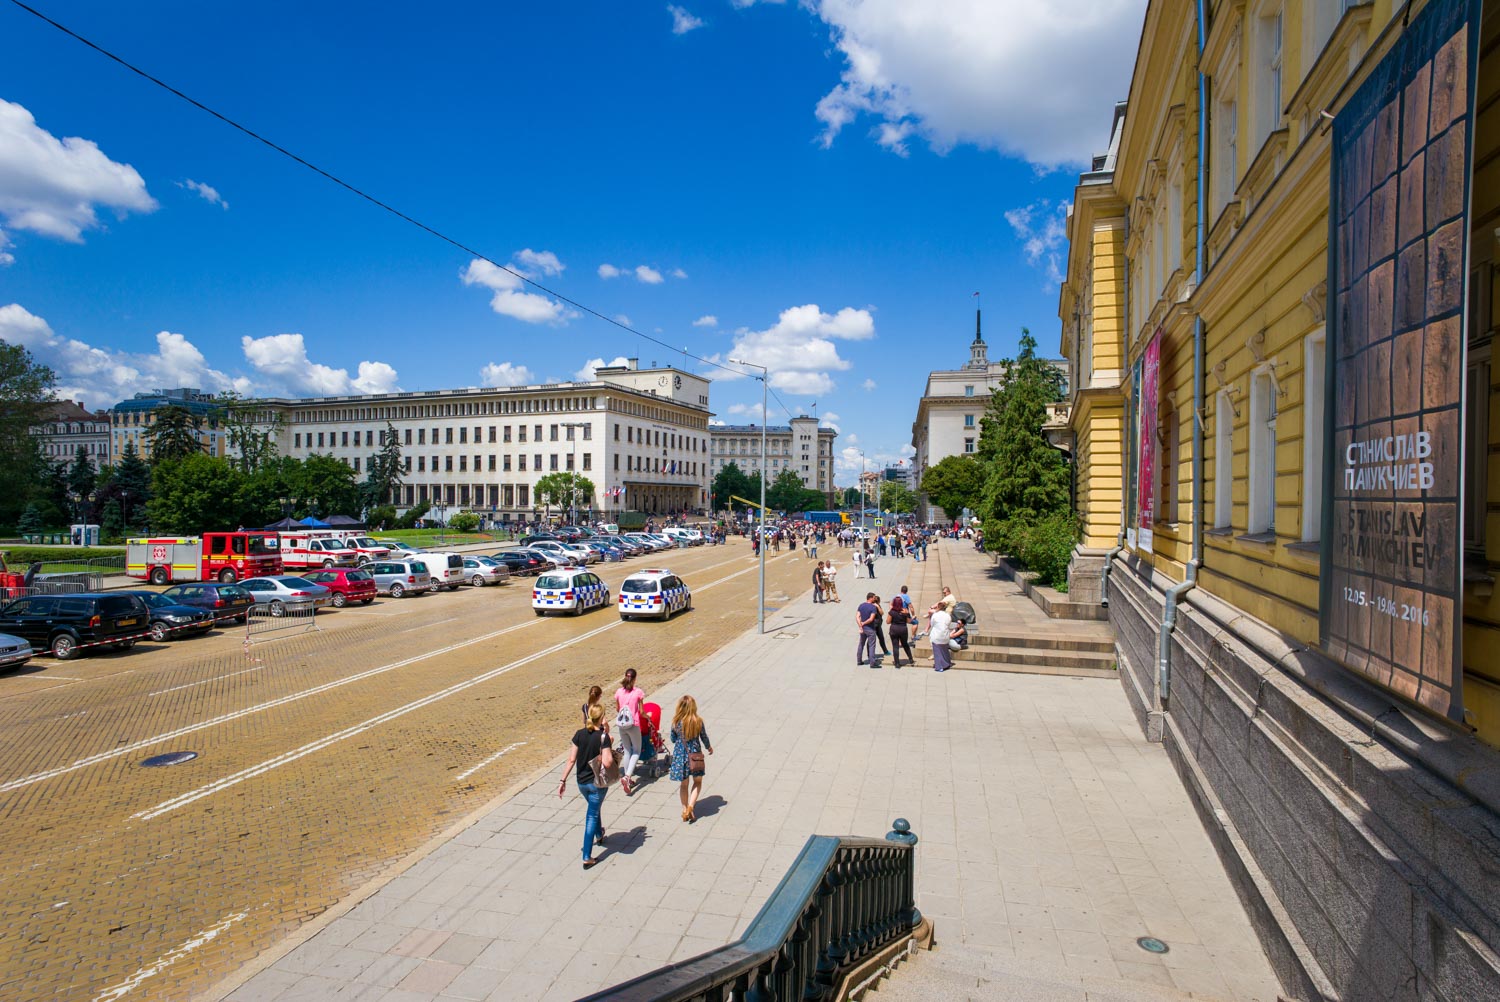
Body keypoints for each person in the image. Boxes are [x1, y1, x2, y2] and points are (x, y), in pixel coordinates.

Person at [560, 704, 613, 868]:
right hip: (597, 783)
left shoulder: (579, 734)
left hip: (581, 782)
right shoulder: (602, 737)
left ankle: (599, 834)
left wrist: (562, 781)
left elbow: (571, 760)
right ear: (601, 718)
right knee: (591, 815)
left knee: (593, 808)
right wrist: (608, 746)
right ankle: (587, 856)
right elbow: (607, 762)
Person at [670, 695, 714, 823]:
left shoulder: (676, 722)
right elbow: (704, 737)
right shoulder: (698, 721)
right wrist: (709, 747)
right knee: (697, 782)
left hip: (680, 756)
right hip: (694, 756)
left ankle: (684, 809)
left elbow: (673, 739)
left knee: (684, 785)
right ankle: (691, 806)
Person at [614, 670, 647, 795]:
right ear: (635, 679)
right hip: (633, 725)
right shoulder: (638, 692)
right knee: (636, 750)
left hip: (622, 725)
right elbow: (642, 712)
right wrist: (648, 717)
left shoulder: (619, 692)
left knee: (627, 751)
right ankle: (627, 776)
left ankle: (628, 779)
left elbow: (618, 708)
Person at [888, 597, 915, 668]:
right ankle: (911, 659)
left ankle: (897, 663)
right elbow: (909, 621)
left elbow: (888, 622)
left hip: (894, 629)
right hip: (903, 629)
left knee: (895, 646)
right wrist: (907, 614)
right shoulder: (905, 610)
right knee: (905, 644)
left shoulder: (892, 612)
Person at [856, 592, 881, 667]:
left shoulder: (861, 605)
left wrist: (860, 625)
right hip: (870, 629)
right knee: (872, 645)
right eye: (874, 597)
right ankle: (872, 663)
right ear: (870, 598)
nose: (874, 599)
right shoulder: (873, 607)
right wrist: (863, 623)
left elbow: (857, 617)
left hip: (863, 629)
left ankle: (859, 660)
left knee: (861, 644)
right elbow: (871, 619)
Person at [928, 604, 954, 672]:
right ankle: (947, 663)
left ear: (938, 607)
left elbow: (932, 623)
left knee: (937, 652)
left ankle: (940, 666)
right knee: (945, 650)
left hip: (937, 635)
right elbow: (949, 624)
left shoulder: (935, 615)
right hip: (945, 635)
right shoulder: (947, 615)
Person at [871, 594, 892, 659]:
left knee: (881, 638)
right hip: (874, 625)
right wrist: (878, 607)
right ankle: (870, 654)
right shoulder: (875, 606)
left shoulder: (877, 605)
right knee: (872, 640)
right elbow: (882, 613)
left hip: (878, 625)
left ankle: (885, 651)